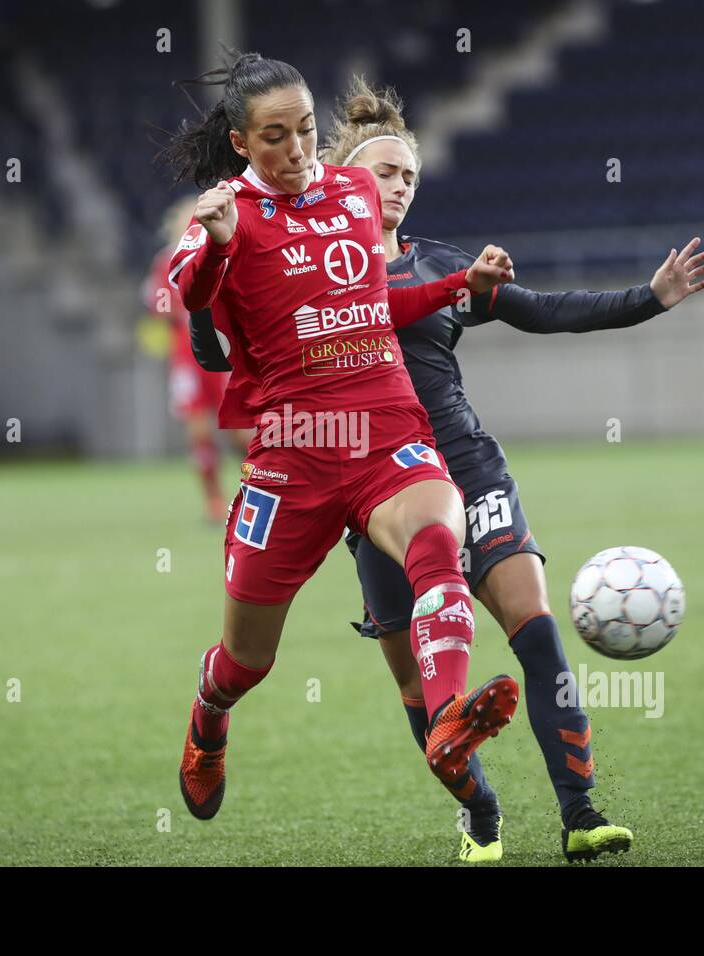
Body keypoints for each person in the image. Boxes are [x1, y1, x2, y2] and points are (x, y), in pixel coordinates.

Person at [319, 78, 704, 862]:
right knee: (419, 694)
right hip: (377, 498)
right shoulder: (316, 279)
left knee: (535, 631)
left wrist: (651, 297)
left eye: (408, 177)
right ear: (342, 180)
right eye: (382, 172)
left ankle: (581, 814)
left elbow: (546, 310)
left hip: (467, 470)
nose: (397, 186)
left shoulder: (443, 267)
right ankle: (482, 814)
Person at [161, 52, 521, 825]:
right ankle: (208, 717)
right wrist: (218, 241)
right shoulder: (224, 214)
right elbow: (188, 296)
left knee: (437, 541)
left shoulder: (354, 189)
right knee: (246, 662)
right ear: (239, 143)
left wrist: (460, 287)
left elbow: (373, 305)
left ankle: (450, 718)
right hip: (291, 453)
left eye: (304, 132)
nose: (295, 153)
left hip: (385, 427)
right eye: (273, 138)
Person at [143, 197, 249, 523]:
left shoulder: (222, 255)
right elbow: (158, 309)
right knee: (199, 432)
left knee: (240, 434)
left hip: (222, 354)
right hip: (186, 359)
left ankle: (256, 492)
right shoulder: (165, 263)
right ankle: (214, 503)